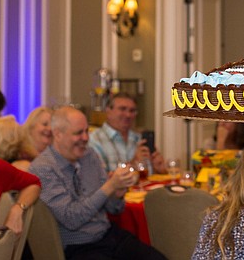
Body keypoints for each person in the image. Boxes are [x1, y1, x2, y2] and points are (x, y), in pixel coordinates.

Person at [29, 106, 166, 260]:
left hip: (108, 236)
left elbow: (114, 209)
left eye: (86, 131)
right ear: (58, 134)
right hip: (78, 248)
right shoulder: (43, 169)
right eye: (78, 133)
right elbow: (71, 219)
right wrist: (109, 187)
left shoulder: (89, 156)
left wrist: (117, 194)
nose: (86, 138)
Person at [88, 93, 166, 175]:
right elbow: (98, 181)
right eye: (122, 109)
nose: (128, 115)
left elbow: (150, 176)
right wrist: (132, 164)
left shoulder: (139, 139)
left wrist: (160, 170)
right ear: (108, 111)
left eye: (132, 111)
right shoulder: (94, 141)